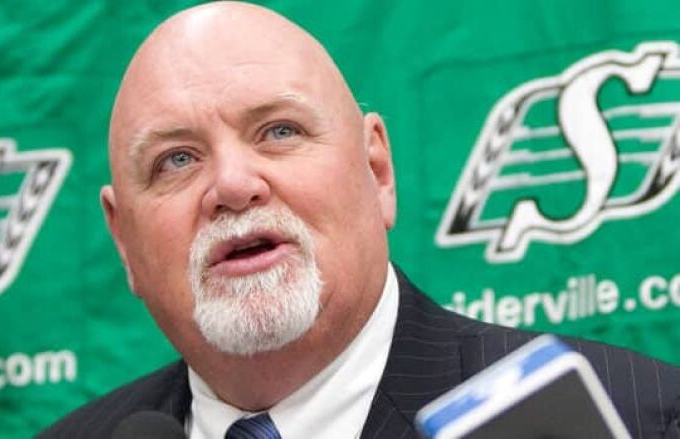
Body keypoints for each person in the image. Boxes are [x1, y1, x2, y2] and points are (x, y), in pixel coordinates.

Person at [40, 2, 680, 438]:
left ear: (377, 172)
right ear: (123, 241)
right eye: (176, 159)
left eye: (279, 131)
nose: (233, 186)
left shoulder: (636, 417)